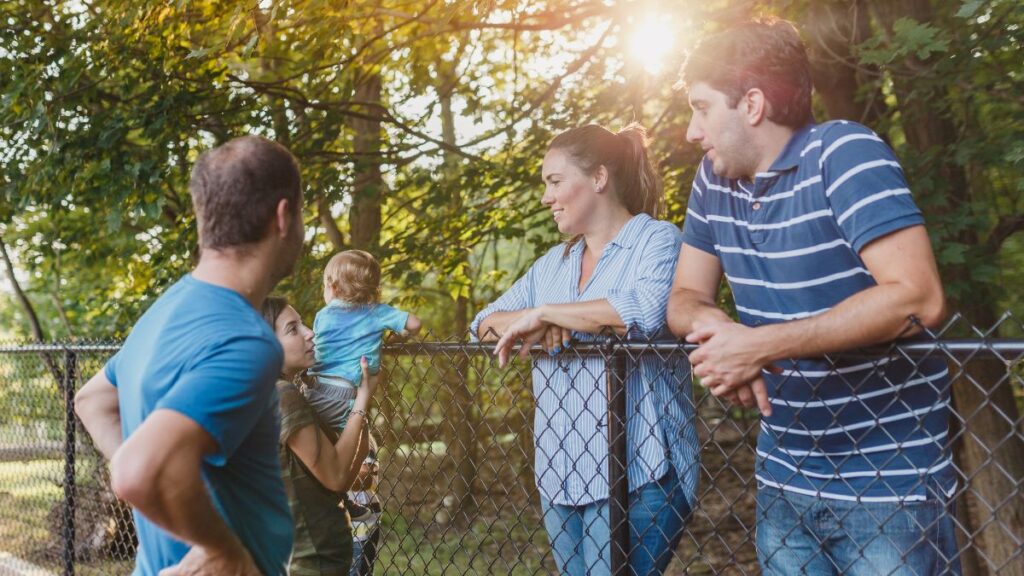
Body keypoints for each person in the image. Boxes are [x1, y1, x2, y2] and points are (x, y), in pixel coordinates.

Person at [668, 19, 959, 575]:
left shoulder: (843, 151)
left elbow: (918, 298)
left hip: (889, 483)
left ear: (752, 103)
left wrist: (759, 346)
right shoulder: (713, 180)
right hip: (784, 478)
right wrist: (724, 336)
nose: (691, 132)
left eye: (701, 108)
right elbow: (684, 296)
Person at [473, 123, 698, 575]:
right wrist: (539, 320)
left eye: (555, 182)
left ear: (598, 178)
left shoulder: (656, 240)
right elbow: (483, 324)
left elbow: (644, 312)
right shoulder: (551, 265)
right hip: (561, 474)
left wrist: (549, 315)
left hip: (641, 470)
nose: (545, 197)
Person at [73, 136, 305, 575]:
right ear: (283, 215)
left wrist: (162, 507)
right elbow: (138, 470)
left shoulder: (166, 310)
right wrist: (222, 551)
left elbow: (93, 401)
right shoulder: (247, 341)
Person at [261, 296, 379, 576]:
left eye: (303, 324)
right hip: (308, 559)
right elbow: (336, 475)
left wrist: (353, 398)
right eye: (293, 329)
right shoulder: (281, 395)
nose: (309, 332)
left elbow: (343, 474)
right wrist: (362, 399)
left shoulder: (274, 392)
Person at [306, 249, 418, 521]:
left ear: (331, 287)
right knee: (359, 439)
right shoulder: (376, 313)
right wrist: (398, 334)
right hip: (347, 395)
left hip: (315, 390)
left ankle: (321, 499)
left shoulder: (323, 315)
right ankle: (342, 496)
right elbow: (414, 323)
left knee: (320, 450)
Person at [348, 436, 382, 576]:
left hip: (361, 517)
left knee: (358, 568)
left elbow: (367, 478)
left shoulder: (361, 437)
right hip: (343, 521)